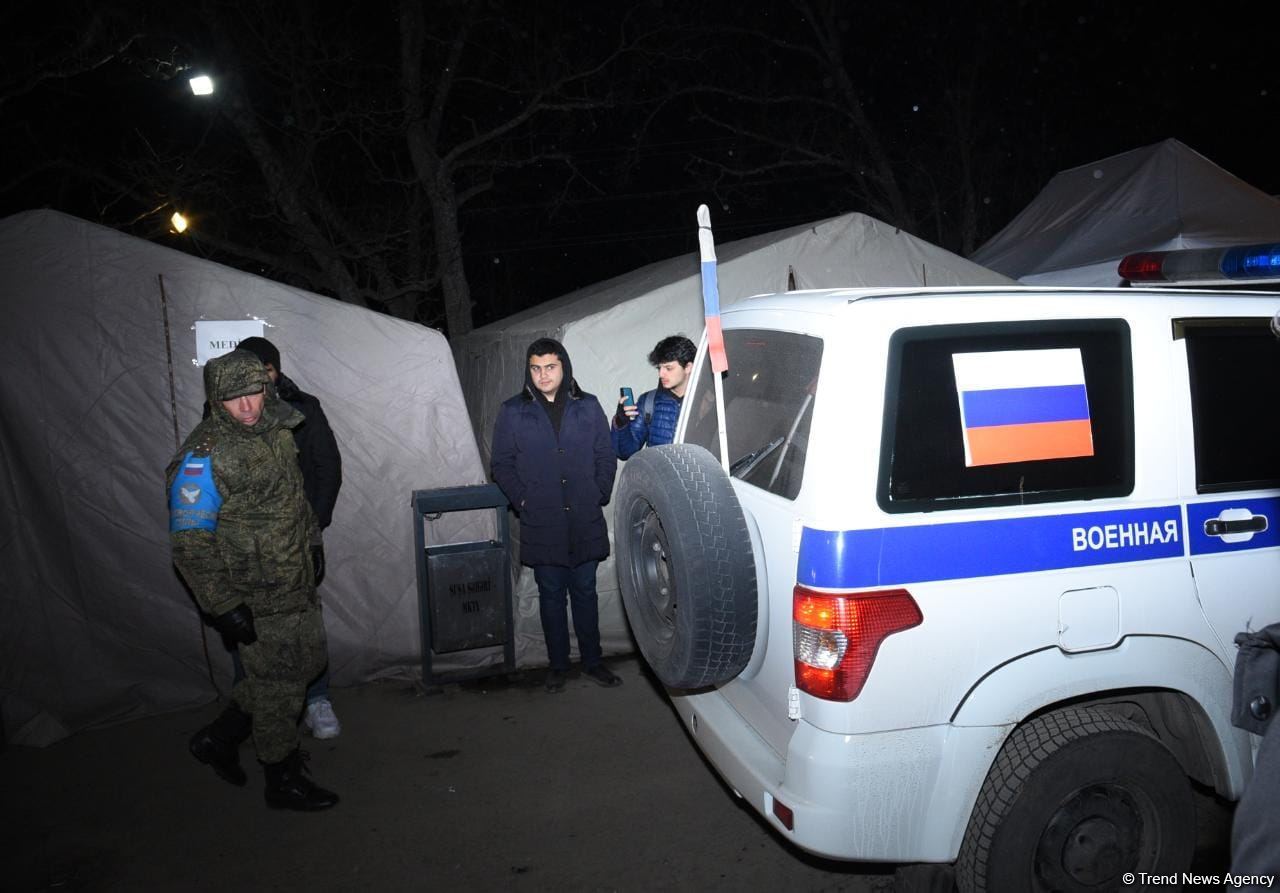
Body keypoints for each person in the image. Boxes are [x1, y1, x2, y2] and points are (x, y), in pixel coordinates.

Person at [169, 349, 338, 810]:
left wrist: (313, 544)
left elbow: (295, 499)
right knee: (281, 687)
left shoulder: (275, 431)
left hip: (293, 579)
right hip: (254, 591)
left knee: (303, 666)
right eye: (232, 398)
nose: (246, 406)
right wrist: (222, 604)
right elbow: (190, 544)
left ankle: (219, 739)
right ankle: (281, 778)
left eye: (252, 393)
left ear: (266, 387)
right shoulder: (203, 458)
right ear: (215, 399)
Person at [490, 338, 621, 693]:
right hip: (541, 519)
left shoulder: (588, 406)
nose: (543, 375)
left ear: (564, 367)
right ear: (528, 371)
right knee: (550, 595)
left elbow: (605, 456)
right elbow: (500, 464)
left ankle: (593, 662)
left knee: (585, 592)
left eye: (550, 367)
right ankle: (558, 666)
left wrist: (598, 492)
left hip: (583, 516)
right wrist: (524, 500)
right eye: (536, 368)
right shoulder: (513, 410)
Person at [234, 336, 344, 740]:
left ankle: (316, 700)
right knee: (247, 628)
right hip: (247, 546)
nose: (259, 382)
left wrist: (312, 528)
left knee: (304, 625)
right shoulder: (226, 415)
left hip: (296, 538)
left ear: (276, 371)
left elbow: (326, 468)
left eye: (267, 371)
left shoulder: (303, 409)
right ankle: (246, 709)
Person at [612, 335, 696, 460]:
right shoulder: (648, 402)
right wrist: (621, 422)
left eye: (668, 368)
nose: (661, 374)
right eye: (659, 368)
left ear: (688, 367)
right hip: (660, 478)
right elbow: (625, 453)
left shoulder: (712, 400)